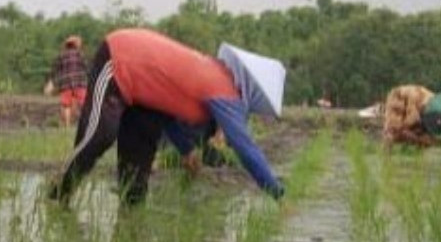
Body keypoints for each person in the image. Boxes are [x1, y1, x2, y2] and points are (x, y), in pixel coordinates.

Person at [48, 28, 285, 205]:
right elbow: (246, 149)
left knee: (137, 171)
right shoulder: (225, 90)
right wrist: (277, 194)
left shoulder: (217, 80)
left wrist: (186, 149)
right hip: (120, 59)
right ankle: (57, 195)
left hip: (147, 98)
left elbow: (169, 108)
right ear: (251, 93)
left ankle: (130, 227)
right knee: (100, 135)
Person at [381, 84, 438, 148]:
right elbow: (390, 119)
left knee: (406, 132)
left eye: (397, 110)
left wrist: (399, 128)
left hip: (432, 115)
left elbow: (414, 118)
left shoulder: (412, 95)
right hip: (430, 115)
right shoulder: (393, 99)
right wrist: (389, 130)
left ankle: (428, 142)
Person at [50, 35, 89, 127]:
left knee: (66, 105)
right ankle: (85, 124)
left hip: (65, 84)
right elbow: (87, 68)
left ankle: (67, 126)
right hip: (80, 83)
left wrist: (52, 82)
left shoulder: (61, 55)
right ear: (76, 45)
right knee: (83, 104)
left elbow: (56, 70)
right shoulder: (80, 54)